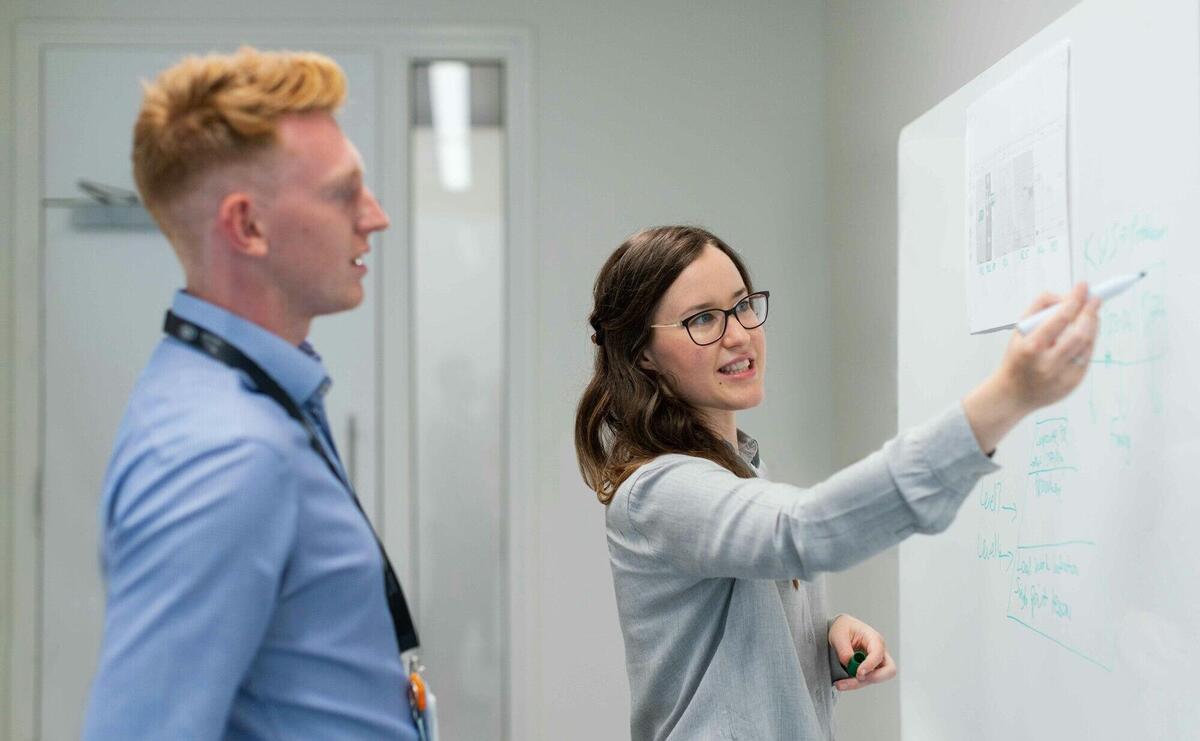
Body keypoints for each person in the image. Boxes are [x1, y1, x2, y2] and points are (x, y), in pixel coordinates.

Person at [574, 225, 1099, 739]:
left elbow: (727, 654)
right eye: (702, 319)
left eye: (742, 305)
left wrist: (817, 640)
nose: (738, 334)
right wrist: (1007, 397)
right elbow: (799, 532)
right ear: (643, 352)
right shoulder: (657, 491)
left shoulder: (740, 465)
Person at [83, 48, 424, 739]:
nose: (376, 216)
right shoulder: (224, 451)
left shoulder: (247, 397)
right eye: (343, 192)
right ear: (247, 226)